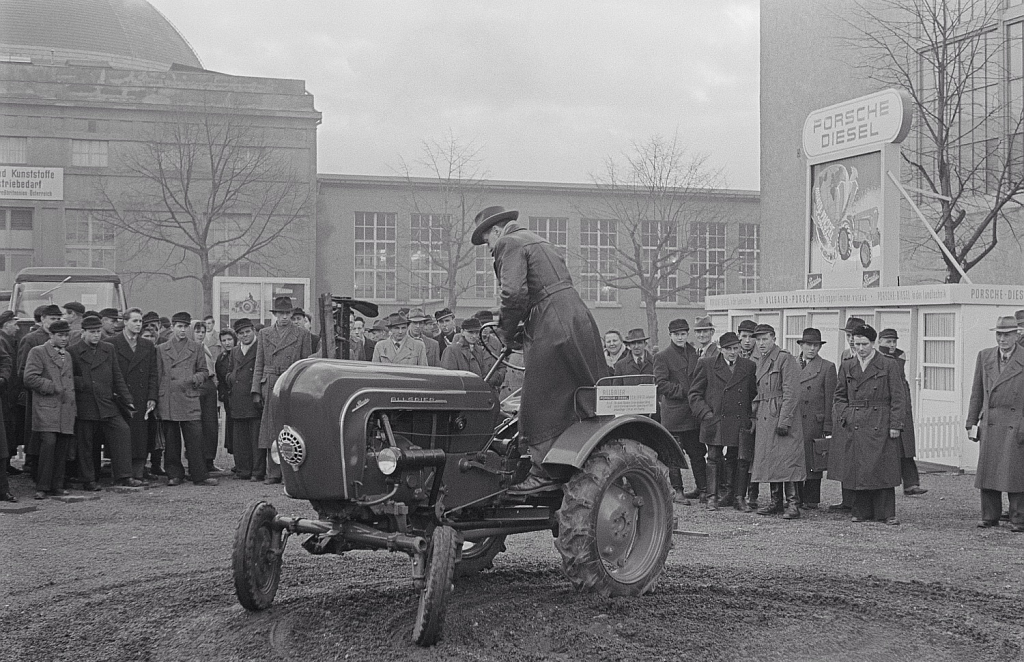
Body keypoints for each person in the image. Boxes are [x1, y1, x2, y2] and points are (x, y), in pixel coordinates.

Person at [471, 205, 605, 494]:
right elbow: (541, 289)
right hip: (576, 317)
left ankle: (542, 471)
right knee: (576, 393)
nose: (488, 249)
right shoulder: (540, 240)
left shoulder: (508, 243)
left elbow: (514, 293)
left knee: (538, 397)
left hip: (551, 324)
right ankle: (574, 461)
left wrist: (507, 333)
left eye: (486, 242)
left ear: (496, 231)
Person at [831, 324, 906, 525]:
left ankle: (886, 513)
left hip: (880, 420)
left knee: (882, 468)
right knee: (859, 468)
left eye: (864, 344)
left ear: (873, 344)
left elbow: (898, 398)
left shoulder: (888, 364)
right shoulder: (847, 365)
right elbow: (839, 396)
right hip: (856, 421)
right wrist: (845, 416)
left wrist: (895, 425)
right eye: (857, 345)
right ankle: (861, 511)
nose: (861, 349)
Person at [966, 316, 1024, 532]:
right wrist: (971, 422)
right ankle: (989, 516)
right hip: (990, 422)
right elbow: (977, 393)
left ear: (1017, 335)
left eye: (1007, 334)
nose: (1002, 339)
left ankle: (1019, 519)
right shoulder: (985, 356)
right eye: (999, 334)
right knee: (988, 470)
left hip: (1016, 422)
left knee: (1016, 472)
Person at [688, 331, 757, 511]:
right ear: (720, 349)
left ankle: (738, 497)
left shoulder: (748, 366)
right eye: (728, 349)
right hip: (715, 419)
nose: (733, 352)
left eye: (736, 348)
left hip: (739, 419)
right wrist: (706, 414)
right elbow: (694, 394)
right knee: (713, 457)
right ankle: (712, 497)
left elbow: (752, 394)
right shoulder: (707, 364)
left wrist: (750, 417)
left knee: (740, 459)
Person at [70, 314, 139, 490]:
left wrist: (127, 399)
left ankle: (124, 475)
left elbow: (117, 375)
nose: (96, 335)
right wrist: (82, 383)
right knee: (86, 443)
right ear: (83, 333)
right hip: (85, 403)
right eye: (92, 332)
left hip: (107, 402)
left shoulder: (108, 348)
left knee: (122, 432)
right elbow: (69, 378)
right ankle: (88, 479)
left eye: (98, 331)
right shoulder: (73, 351)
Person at [251, 296, 312, 484]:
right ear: (275, 314)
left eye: (287, 313)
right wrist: (255, 389)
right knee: (271, 428)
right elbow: (259, 362)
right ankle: (273, 472)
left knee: (290, 428)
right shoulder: (265, 334)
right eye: (280, 313)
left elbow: (305, 364)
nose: (284, 317)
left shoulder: (302, 334)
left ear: (292, 314)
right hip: (269, 383)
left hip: (290, 382)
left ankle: (289, 474)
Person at [751, 324, 805, 519]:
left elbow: (792, 392)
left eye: (765, 339)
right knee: (772, 460)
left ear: (773, 338)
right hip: (765, 413)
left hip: (781, 413)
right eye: (758, 340)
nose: (761, 343)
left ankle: (793, 504)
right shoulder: (759, 360)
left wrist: (785, 420)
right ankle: (776, 502)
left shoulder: (784, 358)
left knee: (787, 460)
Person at [156, 312, 217, 487]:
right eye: (179, 326)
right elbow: (158, 376)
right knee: (172, 440)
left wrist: (193, 379)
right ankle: (174, 474)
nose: (182, 330)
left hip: (189, 396)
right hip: (169, 399)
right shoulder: (161, 349)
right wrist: (158, 399)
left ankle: (199, 474)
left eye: (185, 327)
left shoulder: (196, 348)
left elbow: (204, 372)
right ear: (173, 327)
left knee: (195, 439)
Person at [654, 318, 706, 503]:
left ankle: (703, 489)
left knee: (698, 453)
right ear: (670, 335)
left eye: (683, 334)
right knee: (674, 455)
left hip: (693, 414)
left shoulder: (695, 353)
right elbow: (661, 384)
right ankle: (678, 491)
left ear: (687, 334)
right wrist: (684, 392)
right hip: (674, 415)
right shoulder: (662, 356)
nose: (680, 337)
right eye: (676, 334)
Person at [23, 320, 75, 499]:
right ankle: (42, 486)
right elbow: (29, 378)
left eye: (66, 335)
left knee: (62, 446)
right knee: (48, 444)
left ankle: (57, 485)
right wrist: (52, 386)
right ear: (51, 335)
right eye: (60, 335)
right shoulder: (37, 352)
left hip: (65, 408)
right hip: (46, 408)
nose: (64, 339)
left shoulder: (67, 355)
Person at [106, 308, 158, 482]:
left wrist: (152, 397)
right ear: (125, 322)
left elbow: (152, 373)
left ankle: (137, 472)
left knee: (140, 436)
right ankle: (121, 473)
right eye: (135, 321)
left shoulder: (147, 345)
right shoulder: (112, 343)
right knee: (121, 436)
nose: (138, 324)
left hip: (142, 396)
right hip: (120, 397)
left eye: (140, 321)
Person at [876, 328, 927, 497]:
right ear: (879, 342)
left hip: (902, 406)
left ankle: (911, 484)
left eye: (894, 342)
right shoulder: (881, 358)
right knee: (886, 448)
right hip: (886, 407)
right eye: (888, 342)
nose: (892, 345)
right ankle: (883, 484)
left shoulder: (899, 357)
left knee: (906, 448)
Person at [17, 304, 65, 479]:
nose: (55, 322)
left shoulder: (63, 339)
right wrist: (46, 386)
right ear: (42, 319)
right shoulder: (32, 340)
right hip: (38, 397)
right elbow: (22, 371)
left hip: (59, 399)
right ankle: (35, 469)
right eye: (52, 319)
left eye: (58, 319)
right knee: (38, 436)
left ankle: (53, 476)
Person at [828, 315, 866, 513]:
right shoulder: (845, 355)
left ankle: (860, 501)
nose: (851, 339)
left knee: (859, 458)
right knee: (844, 457)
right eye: (849, 335)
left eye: (854, 335)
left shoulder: (866, 355)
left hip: (862, 411)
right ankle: (847, 500)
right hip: (846, 411)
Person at [795, 328, 836, 509]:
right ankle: (795, 497)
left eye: (816, 345)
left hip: (815, 420)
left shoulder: (827, 367)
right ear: (801, 345)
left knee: (814, 459)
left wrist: (828, 425)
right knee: (795, 458)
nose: (812, 349)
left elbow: (830, 398)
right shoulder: (791, 364)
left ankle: (811, 499)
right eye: (808, 345)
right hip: (796, 419)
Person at [228, 318, 262, 480]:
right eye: (241, 333)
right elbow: (229, 371)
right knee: (240, 439)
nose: (245, 335)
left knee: (255, 437)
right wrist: (232, 378)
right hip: (238, 398)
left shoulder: (260, 347)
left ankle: (257, 471)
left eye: (247, 331)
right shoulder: (235, 351)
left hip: (254, 396)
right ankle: (243, 470)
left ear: (253, 331)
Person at [440, 317, 505, 389]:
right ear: (462, 332)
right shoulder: (451, 350)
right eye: (470, 332)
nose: (474, 336)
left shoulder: (478, 350)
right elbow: (448, 379)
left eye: (477, 332)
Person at [192, 321, 222, 474]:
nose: (200, 334)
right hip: (197, 386)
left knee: (211, 425)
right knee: (197, 425)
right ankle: (198, 462)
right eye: (197, 331)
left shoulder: (205, 348)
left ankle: (209, 460)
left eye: (203, 332)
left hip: (209, 385)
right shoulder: (190, 349)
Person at [0, 310, 19, 477]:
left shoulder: (7, 341)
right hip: (5, 394)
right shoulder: (3, 341)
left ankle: (6, 464)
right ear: (6, 325)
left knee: (8, 429)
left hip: (8, 393)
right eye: (14, 324)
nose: (17, 327)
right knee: (5, 430)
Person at [216, 327, 237, 469]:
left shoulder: (240, 355)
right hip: (229, 398)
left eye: (229, 339)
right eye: (224, 340)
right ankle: (237, 461)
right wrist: (223, 395)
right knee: (232, 429)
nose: (227, 343)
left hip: (242, 397)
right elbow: (220, 380)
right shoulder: (221, 358)